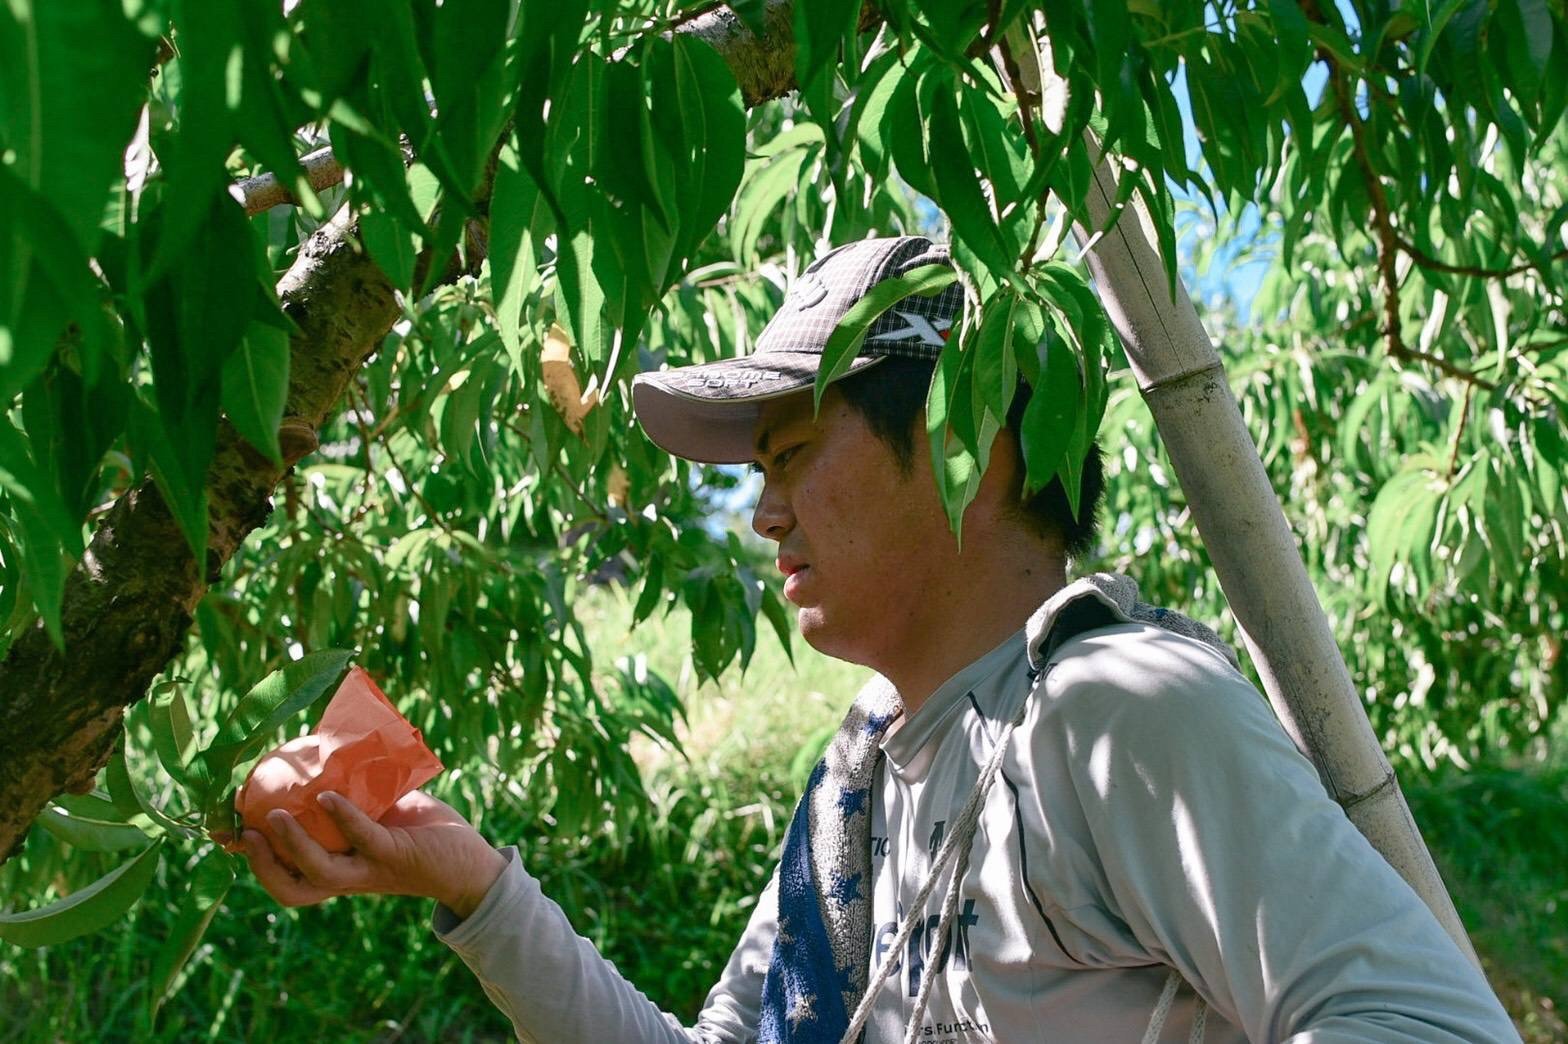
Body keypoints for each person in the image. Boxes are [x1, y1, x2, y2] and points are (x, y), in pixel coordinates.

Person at [244, 236, 1518, 1043]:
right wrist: (474, 888)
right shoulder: (860, 783)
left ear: (969, 440)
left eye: (792, 452)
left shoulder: (1115, 713)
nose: (762, 513)